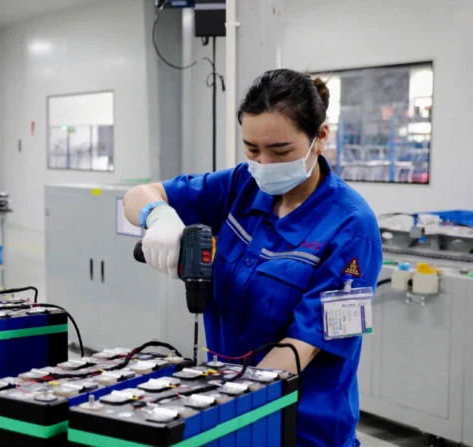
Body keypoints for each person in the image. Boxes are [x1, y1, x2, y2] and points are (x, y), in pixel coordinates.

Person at [124, 69, 383, 447]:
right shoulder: (240, 185)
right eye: (251, 149)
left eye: (280, 151)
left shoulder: (351, 226)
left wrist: (224, 406)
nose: (263, 163)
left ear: (320, 138)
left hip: (302, 425)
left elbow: (302, 345)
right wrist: (159, 217)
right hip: (230, 402)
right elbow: (139, 195)